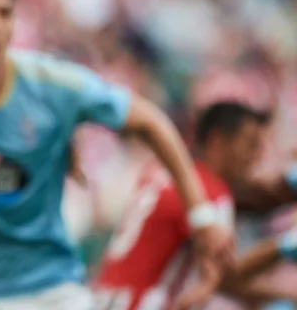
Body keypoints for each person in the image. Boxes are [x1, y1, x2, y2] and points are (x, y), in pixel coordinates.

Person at [0, 0, 233, 310]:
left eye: (4, 14)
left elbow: (151, 122)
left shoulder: (53, 85)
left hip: (52, 285)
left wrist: (201, 215)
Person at [93, 102, 297, 310]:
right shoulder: (212, 193)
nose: (257, 156)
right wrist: (285, 251)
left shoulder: (161, 171)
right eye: (250, 144)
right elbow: (227, 279)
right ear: (217, 140)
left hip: (104, 297)